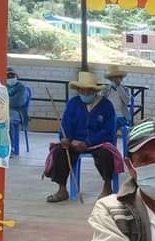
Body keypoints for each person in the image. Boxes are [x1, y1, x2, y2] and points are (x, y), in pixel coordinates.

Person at [44, 71, 121, 202]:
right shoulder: (73, 103)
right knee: (59, 152)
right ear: (78, 90)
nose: (85, 93)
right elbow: (65, 125)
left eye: (89, 90)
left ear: (95, 91)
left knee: (106, 155)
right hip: (74, 142)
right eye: (82, 90)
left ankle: (107, 187)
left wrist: (87, 142)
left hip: (98, 143)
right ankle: (62, 189)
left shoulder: (106, 105)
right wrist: (66, 139)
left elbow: (108, 131)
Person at [103, 64, 131, 129]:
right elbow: (102, 102)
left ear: (121, 78)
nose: (116, 79)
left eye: (118, 77)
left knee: (114, 123)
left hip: (122, 117)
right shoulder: (106, 89)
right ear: (111, 79)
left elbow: (127, 102)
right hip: (109, 116)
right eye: (114, 78)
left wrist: (119, 87)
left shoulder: (125, 89)